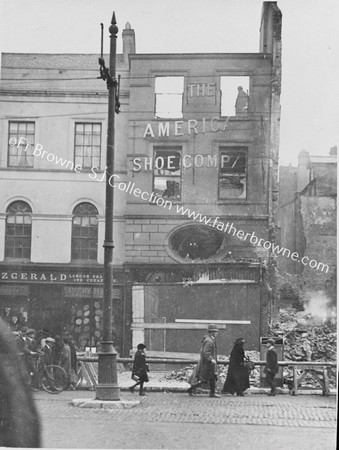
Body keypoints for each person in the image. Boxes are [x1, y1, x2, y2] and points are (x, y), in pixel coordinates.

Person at [188, 324, 220, 398]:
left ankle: (212, 393)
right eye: (216, 332)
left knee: (211, 378)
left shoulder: (210, 339)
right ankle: (192, 389)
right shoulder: (209, 341)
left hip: (208, 363)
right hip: (208, 364)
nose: (217, 333)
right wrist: (211, 359)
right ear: (212, 332)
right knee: (206, 379)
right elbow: (206, 352)